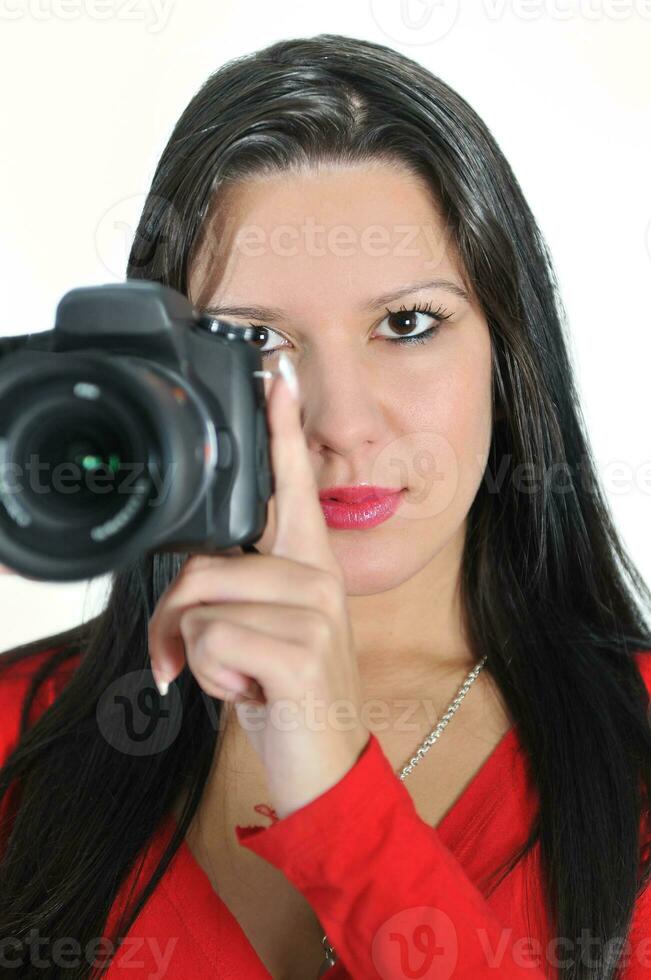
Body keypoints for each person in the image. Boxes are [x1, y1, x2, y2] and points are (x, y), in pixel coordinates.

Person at [1, 33, 650, 980]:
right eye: (254, 337)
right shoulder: (20, 731)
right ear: (161, 375)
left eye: (407, 324)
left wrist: (339, 798)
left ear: (508, 357)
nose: (341, 424)